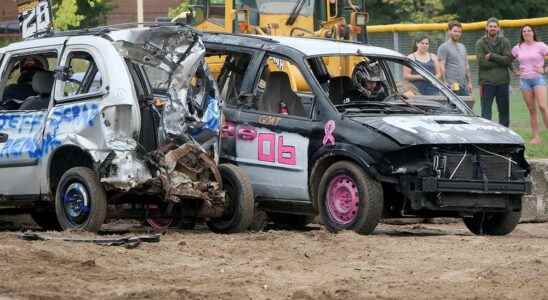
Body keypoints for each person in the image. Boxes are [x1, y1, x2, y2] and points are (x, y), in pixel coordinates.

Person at [511, 25, 548, 144]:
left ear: (533, 32)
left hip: (538, 79)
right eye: (524, 31)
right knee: (532, 110)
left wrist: (545, 69)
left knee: (543, 106)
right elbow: (508, 60)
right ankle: (536, 137)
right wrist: (515, 71)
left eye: (529, 30)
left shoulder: (541, 45)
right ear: (522, 34)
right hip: (524, 81)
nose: (526, 32)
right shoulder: (518, 47)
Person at [475, 17, 513, 127]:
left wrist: (492, 56)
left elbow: (508, 60)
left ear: (499, 29)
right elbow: (482, 63)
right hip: (486, 82)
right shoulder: (480, 43)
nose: (492, 28)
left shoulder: (504, 41)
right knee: (486, 112)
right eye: (490, 26)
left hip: (503, 81)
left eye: (495, 27)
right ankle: (487, 136)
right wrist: (502, 60)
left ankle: (505, 135)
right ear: (486, 28)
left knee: (504, 111)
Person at [437, 21, 473, 96]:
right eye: (455, 31)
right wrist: (444, 83)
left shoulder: (462, 46)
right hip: (450, 86)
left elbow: (466, 65)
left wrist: (469, 82)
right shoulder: (443, 47)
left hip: (462, 85)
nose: (457, 33)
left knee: (466, 106)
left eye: (459, 31)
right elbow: (441, 66)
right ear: (449, 31)